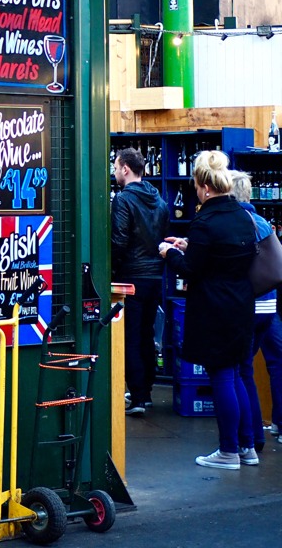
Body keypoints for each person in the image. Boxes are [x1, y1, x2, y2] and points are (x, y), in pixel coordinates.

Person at [159, 150, 256, 470]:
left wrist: (169, 252)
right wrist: (191, 245)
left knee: (222, 378)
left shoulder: (204, 220)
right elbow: (228, 255)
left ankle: (228, 451)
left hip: (214, 309)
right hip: (242, 305)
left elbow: (190, 270)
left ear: (204, 186)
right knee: (240, 374)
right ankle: (247, 447)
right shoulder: (243, 217)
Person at [110, 146, 168, 416]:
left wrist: (112, 268)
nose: (114, 171)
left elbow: (119, 240)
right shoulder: (158, 199)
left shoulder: (123, 200)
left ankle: (137, 398)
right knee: (146, 334)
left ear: (125, 168)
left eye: (115, 166)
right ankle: (146, 389)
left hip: (131, 275)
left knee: (130, 336)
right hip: (155, 275)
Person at [229, 170, 280, 454]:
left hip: (249, 304)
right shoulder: (262, 221)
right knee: (248, 369)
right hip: (269, 305)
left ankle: (247, 439)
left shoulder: (238, 223)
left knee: (239, 372)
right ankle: (256, 436)